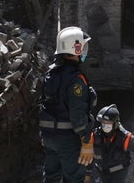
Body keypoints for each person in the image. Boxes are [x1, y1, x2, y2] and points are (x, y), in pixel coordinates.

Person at [39, 26, 97, 183]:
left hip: (49, 137)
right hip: (68, 139)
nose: (85, 50)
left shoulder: (50, 73)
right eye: (83, 47)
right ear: (76, 48)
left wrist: (44, 134)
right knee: (74, 178)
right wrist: (86, 141)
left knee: (51, 177)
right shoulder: (76, 78)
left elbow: (44, 105)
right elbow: (77, 113)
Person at [90, 104, 134, 183]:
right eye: (103, 122)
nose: (105, 125)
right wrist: (87, 173)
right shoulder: (95, 135)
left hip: (119, 173)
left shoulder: (125, 137)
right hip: (101, 172)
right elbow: (87, 154)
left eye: (108, 123)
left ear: (115, 123)